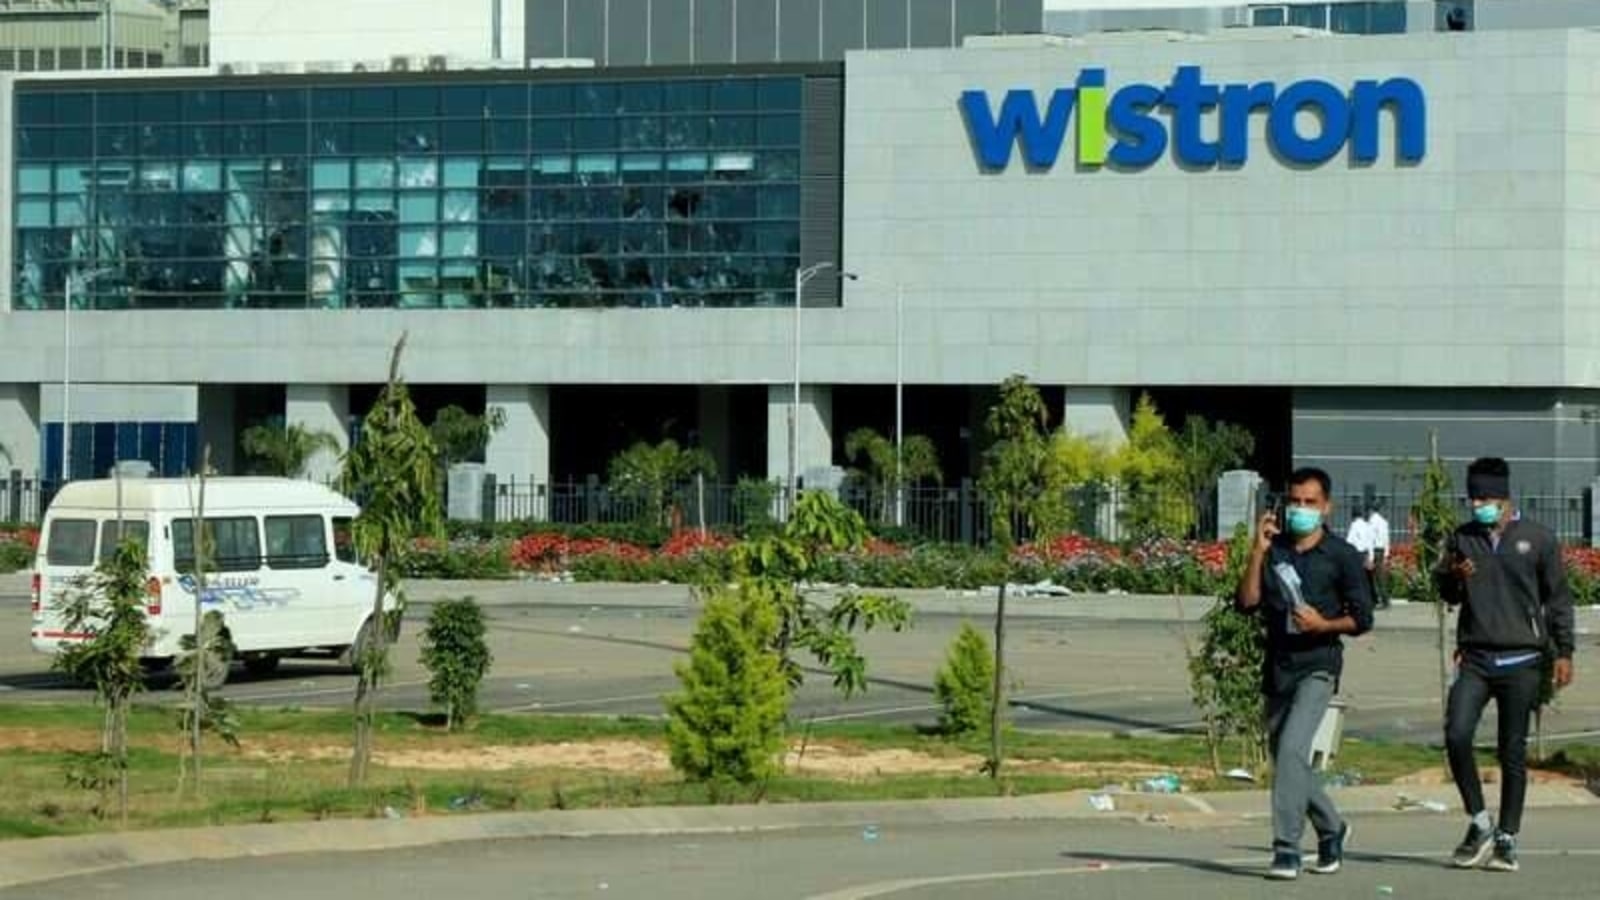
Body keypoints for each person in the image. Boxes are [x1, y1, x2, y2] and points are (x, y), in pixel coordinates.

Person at [1434, 457, 1575, 874]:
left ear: (1505, 497)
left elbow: (1558, 598)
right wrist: (1454, 575)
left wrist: (1564, 651)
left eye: (1486, 498)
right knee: (1457, 733)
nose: (1479, 505)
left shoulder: (1538, 539)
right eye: (1473, 497)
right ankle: (1479, 822)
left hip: (1523, 660)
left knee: (1510, 750)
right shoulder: (1462, 538)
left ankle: (1507, 838)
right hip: (1475, 658)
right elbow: (1449, 593)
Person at [1239, 467, 1375, 880]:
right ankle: (1333, 827)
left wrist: (1324, 625)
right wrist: (1258, 551)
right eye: (1294, 502)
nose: (1301, 509)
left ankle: (1286, 849)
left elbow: (1362, 619)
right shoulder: (1275, 548)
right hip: (1278, 666)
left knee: (1295, 749)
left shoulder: (1341, 556)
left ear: (1325, 507)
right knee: (1288, 760)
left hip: (1318, 665)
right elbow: (1246, 603)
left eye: (1309, 503)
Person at [1368, 502, 1392, 610]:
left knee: (1373, 577)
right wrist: (1386, 553)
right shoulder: (1384, 521)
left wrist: (1370, 556)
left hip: (1375, 550)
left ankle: (1378, 600)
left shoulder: (1372, 521)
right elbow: (1387, 539)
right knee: (1380, 576)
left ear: (1371, 510)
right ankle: (1384, 600)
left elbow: (1370, 538)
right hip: (1382, 551)